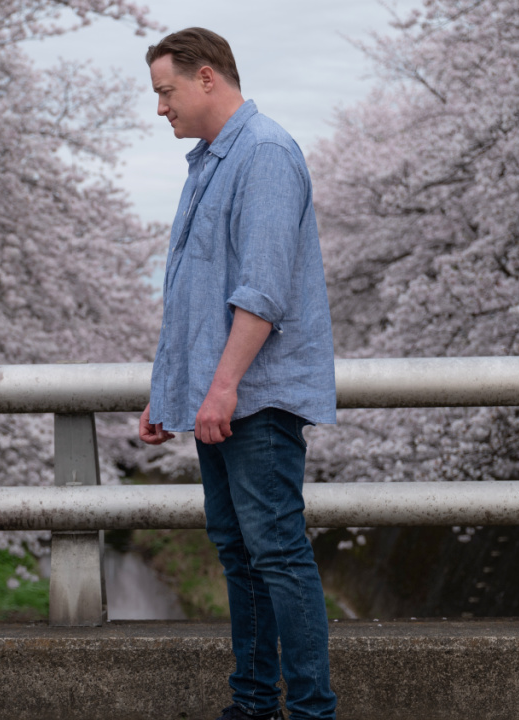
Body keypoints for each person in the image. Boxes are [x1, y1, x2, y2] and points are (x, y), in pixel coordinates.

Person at [138, 28, 338, 720]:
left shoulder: (265, 153)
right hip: (217, 399)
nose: (160, 107)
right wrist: (169, 391)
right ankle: (252, 704)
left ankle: (312, 711)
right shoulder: (208, 162)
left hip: (254, 397)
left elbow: (262, 290)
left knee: (277, 552)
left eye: (166, 91)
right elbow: (189, 293)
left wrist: (220, 387)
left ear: (207, 79)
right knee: (240, 553)